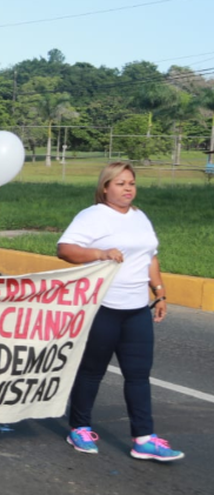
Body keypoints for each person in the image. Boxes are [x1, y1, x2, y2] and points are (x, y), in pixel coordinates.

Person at [57, 162, 184, 462]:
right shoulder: (93, 216)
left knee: (139, 375)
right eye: (120, 183)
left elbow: (150, 256)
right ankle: (79, 427)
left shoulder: (140, 216)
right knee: (92, 372)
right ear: (105, 188)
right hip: (103, 306)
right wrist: (99, 253)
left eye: (132, 183)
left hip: (137, 309)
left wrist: (160, 292)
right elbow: (64, 249)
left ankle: (143, 438)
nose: (128, 188)